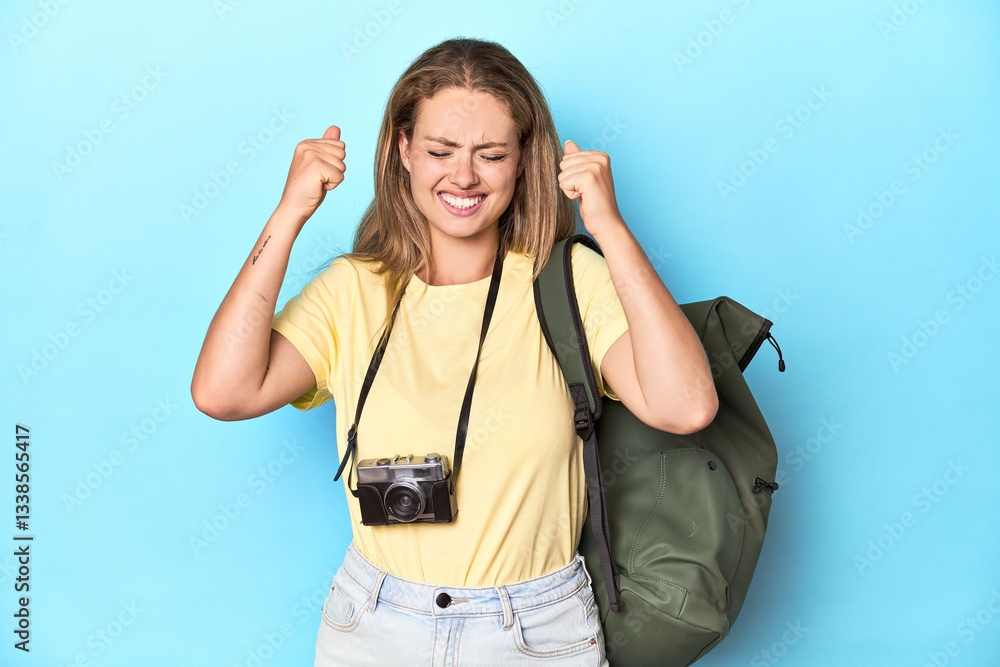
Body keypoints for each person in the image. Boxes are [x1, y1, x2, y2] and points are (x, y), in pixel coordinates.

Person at [191, 37, 717, 666]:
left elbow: (685, 407)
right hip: (374, 622)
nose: (463, 177)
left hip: (534, 630)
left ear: (523, 160)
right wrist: (289, 213)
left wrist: (608, 226)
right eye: (440, 151)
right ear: (403, 150)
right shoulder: (353, 291)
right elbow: (222, 393)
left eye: (490, 155)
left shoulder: (567, 282)